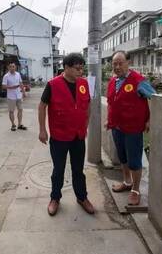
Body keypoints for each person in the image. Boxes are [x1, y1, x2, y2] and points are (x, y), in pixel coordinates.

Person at [38, 53, 95, 216]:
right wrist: (42, 130)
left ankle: (82, 197)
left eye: (82, 67)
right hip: (59, 136)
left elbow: (87, 105)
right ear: (67, 68)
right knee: (58, 170)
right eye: (77, 68)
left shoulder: (83, 84)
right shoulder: (53, 84)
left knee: (78, 169)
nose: (80, 71)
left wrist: (85, 125)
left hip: (78, 136)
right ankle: (55, 198)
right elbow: (42, 106)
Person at [106, 51, 154, 206]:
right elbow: (111, 102)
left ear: (128, 62)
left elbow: (155, 99)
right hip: (116, 126)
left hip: (133, 128)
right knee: (123, 157)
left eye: (120, 63)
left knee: (134, 160)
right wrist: (109, 119)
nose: (117, 66)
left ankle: (136, 189)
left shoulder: (138, 81)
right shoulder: (113, 81)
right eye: (114, 63)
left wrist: (150, 119)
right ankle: (127, 182)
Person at [2, 62, 26, 131]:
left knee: (20, 109)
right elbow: (3, 86)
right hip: (11, 96)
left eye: (13, 66)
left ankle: (19, 124)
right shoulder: (6, 76)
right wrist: (12, 87)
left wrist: (24, 92)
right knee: (11, 111)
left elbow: (21, 83)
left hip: (18, 95)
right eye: (10, 67)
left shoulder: (18, 74)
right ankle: (13, 125)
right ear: (8, 67)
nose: (12, 68)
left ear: (15, 67)